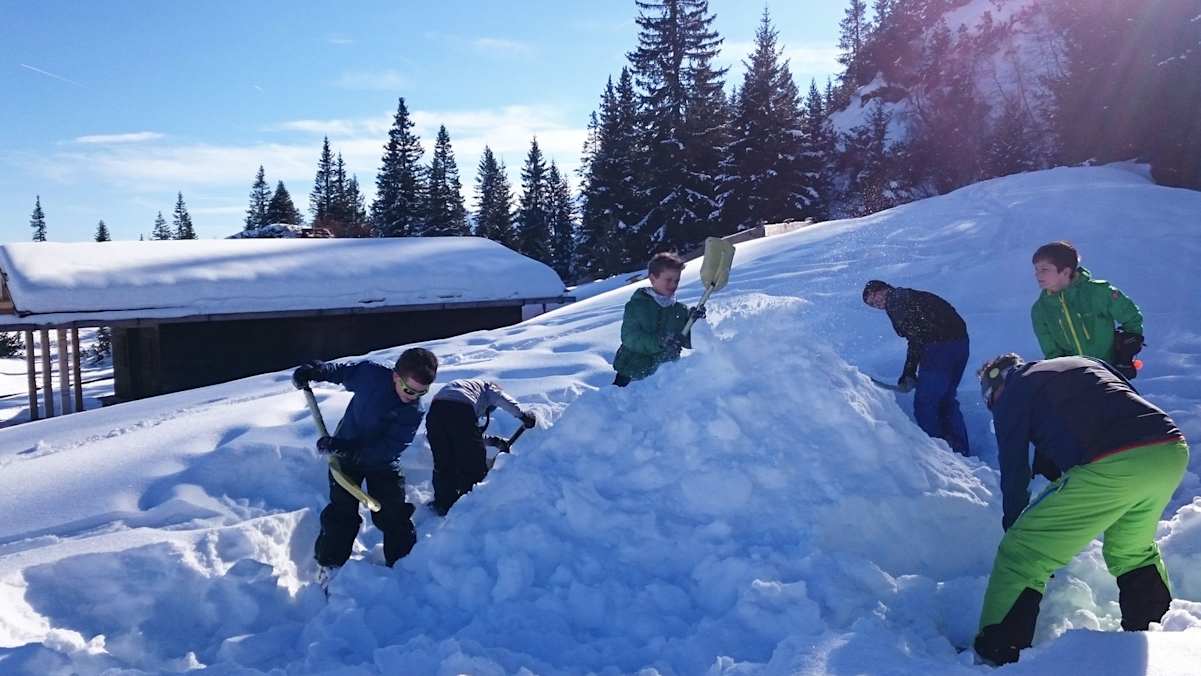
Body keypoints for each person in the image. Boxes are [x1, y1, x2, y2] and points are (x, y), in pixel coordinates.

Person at [973, 353, 1189, 666]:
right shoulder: (1081, 363)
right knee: (1132, 551)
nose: (994, 407)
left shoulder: (1013, 391)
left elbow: (1014, 469)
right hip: (1168, 447)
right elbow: (1121, 401)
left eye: (990, 401)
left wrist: (1016, 525)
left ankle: (997, 654)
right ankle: (1163, 638)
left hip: (1113, 461)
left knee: (1021, 553)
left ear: (996, 384)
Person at [292, 347, 439, 573]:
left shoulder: (413, 411)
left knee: (394, 515)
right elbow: (342, 372)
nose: (413, 397)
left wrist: (346, 448)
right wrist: (315, 370)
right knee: (341, 514)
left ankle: (404, 566)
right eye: (409, 390)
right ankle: (330, 566)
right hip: (344, 458)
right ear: (396, 376)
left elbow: (389, 448)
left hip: (381, 463)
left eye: (422, 392)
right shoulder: (372, 375)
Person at [862, 280, 971, 455]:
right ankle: (961, 451)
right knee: (946, 399)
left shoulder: (896, 299)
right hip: (961, 344)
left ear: (884, 288)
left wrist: (909, 372)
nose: (876, 304)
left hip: (939, 347)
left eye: (874, 297)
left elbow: (915, 337)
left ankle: (938, 455)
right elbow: (919, 331)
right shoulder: (909, 296)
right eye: (872, 305)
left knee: (925, 402)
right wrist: (910, 372)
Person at [1031, 241, 1144, 378]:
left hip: (1109, 370)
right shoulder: (1040, 310)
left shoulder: (1098, 292)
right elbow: (1052, 351)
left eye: (1044, 270)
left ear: (1065, 271)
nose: (1037, 275)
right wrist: (1063, 375)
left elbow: (1132, 317)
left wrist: (1126, 354)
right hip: (1077, 377)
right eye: (1036, 269)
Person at [426, 378, 538, 515]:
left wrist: (495, 441)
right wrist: (523, 415)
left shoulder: (464, 389)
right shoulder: (487, 387)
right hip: (460, 409)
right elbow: (501, 398)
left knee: (443, 462)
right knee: (474, 461)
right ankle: (472, 506)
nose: (485, 413)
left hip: (434, 413)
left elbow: (468, 437)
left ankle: (443, 503)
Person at [612, 252, 705, 387]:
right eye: (668, 280)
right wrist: (659, 341)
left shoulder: (680, 310)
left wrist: (695, 323)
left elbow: (688, 341)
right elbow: (630, 338)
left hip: (663, 376)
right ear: (653, 278)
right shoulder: (637, 305)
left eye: (676, 281)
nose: (673, 285)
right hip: (631, 373)